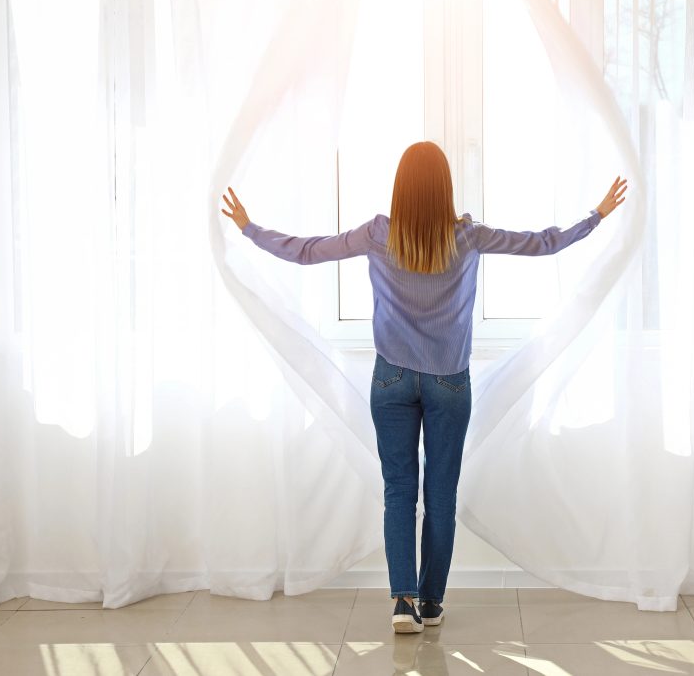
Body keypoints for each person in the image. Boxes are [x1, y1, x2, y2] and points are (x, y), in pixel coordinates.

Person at [221, 141, 627, 634]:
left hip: (390, 378)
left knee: (398, 492)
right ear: (444, 189)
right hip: (449, 382)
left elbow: (307, 252)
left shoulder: (377, 234)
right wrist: (595, 216)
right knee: (441, 495)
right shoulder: (469, 236)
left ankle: (402, 602)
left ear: (401, 190)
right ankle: (432, 604)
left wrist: (248, 228)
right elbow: (542, 244)